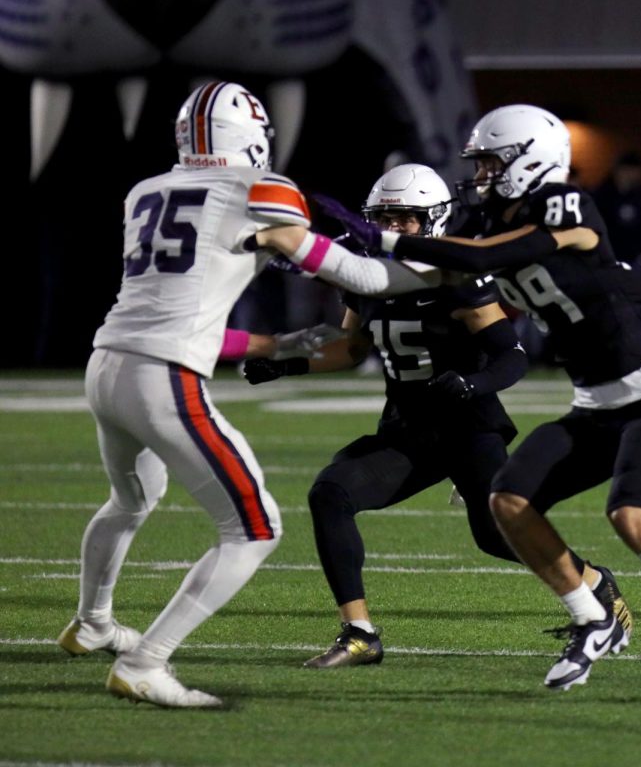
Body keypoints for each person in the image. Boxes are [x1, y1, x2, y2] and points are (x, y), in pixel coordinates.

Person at [333, 104, 641, 707]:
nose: (482, 174)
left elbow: (475, 259)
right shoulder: (483, 218)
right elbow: (426, 270)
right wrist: (322, 254)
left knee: (630, 517)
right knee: (506, 501)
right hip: (593, 404)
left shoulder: (566, 205)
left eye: (492, 161)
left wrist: (380, 236)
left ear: (529, 158)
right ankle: (591, 618)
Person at [60, 81, 452, 709]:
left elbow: (183, 302)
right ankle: (145, 662)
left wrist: (273, 345)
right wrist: (441, 264)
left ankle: (94, 623)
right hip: (164, 374)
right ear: (252, 137)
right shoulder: (259, 190)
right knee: (256, 528)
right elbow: (363, 276)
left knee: (131, 498)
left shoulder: (147, 192)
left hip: (106, 363)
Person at [240, 164, 630, 668]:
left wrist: (472, 384)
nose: (394, 228)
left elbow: (511, 356)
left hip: (469, 426)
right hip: (408, 429)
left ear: (435, 221)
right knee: (330, 493)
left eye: (406, 219)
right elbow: (353, 347)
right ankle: (360, 634)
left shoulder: (454, 275)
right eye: (385, 218)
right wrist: (287, 364)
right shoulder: (365, 274)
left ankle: (595, 583)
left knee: (496, 536)